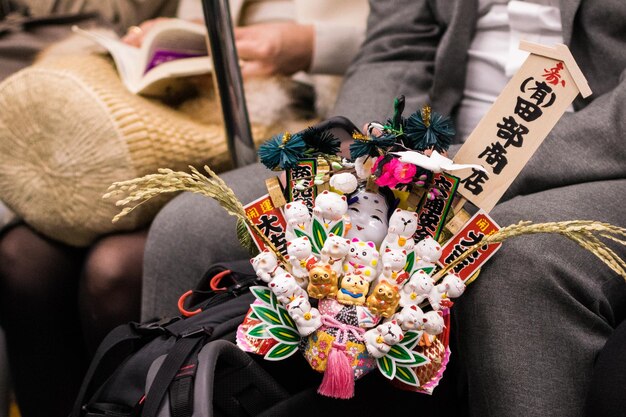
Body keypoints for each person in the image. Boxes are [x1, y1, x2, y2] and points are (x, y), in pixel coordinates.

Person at [142, 0, 626, 416]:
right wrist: (372, 151)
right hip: (428, 139)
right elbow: (398, 45)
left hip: (594, 157)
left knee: (512, 262)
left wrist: (469, 170)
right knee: (190, 226)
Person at [0, 1, 368, 416]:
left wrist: (311, 46)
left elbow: (407, 43)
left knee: (114, 268)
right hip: (196, 110)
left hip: (308, 122)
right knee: (24, 257)